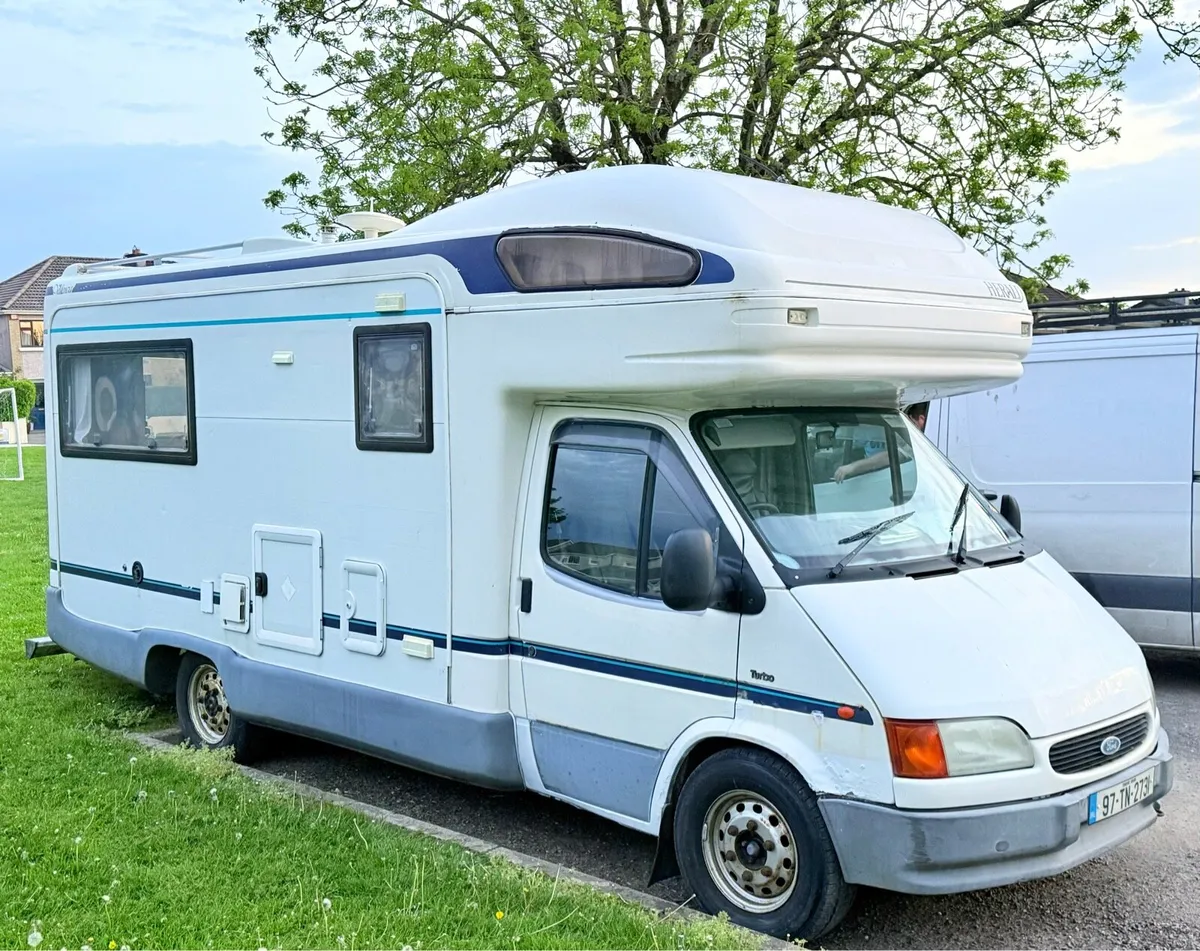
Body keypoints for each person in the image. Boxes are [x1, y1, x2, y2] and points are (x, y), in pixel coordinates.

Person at [832, 402, 928, 482]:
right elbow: (853, 446)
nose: (908, 428)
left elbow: (891, 456)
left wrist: (853, 467)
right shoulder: (866, 428)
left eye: (911, 422)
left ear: (921, 420)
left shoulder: (919, 445)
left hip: (886, 480)